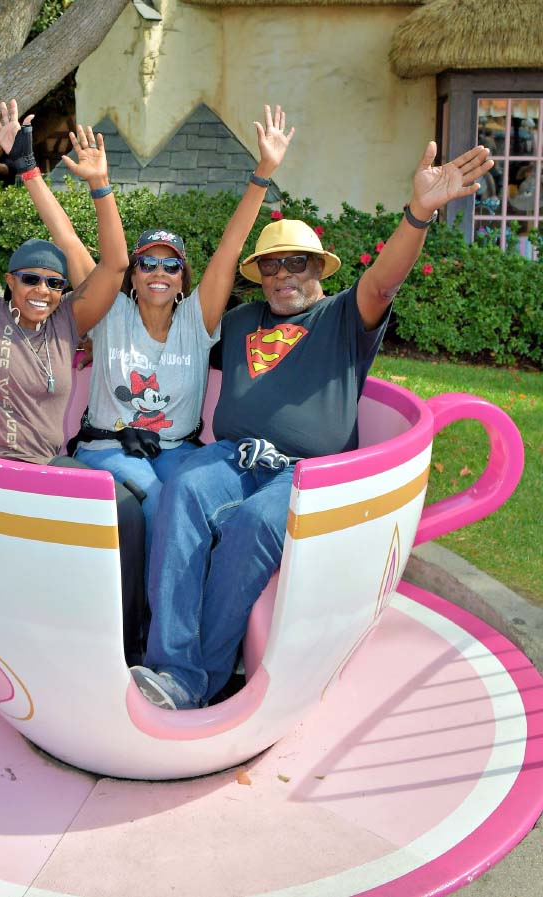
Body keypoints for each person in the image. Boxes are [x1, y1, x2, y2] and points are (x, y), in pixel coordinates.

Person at [131, 139, 495, 710]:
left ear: (318, 270)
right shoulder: (241, 319)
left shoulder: (344, 315)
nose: (282, 276)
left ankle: (198, 677)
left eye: (296, 263)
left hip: (305, 475)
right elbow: (174, 340)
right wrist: (98, 348)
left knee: (253, 526)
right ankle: (169, 666)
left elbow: (382, 282)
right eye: (271, 266)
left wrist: (417, 213)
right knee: (181, 491)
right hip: (232, 457)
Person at [8, 104, 293, 577]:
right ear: (131, 277)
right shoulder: (110, 313)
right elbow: (68, 239)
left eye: (171, 265)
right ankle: (153, 620)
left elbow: (230, 250)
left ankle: (209, 600)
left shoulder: (196, 322)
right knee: (163, 504)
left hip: (179, 449)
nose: (159, 273)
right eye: (147, 264)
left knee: (209, 502)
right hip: (110, 448)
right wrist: (29, 170)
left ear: (183, 280)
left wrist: (264, 171)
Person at [0, 104, 146, 661]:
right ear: (9, 281)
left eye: (52, 282)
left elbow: (115, 266)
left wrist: (101, 186)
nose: (41, 289)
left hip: (41, 472)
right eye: (30, 279)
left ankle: (128, 642)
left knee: (129, 509)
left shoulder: (68, 321)